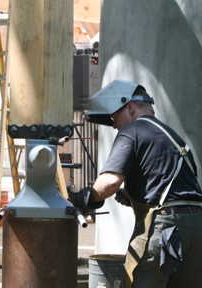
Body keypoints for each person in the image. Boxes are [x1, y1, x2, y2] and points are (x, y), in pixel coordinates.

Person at [69, 79, 202, 288]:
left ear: (130, 108)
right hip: (197, 229)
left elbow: (111, 181)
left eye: (114, 117)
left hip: (167, 229)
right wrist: (133, 198)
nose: (114, 125)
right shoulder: (174, 138)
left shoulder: (132, 130)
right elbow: (177, 191)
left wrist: (84, 198)